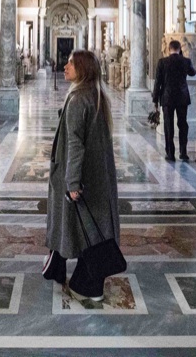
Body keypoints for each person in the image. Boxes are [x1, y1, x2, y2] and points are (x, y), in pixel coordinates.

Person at [44, 49, 120, 302]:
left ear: (83, 69)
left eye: (71, 64)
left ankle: (88, 284)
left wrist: (72, 182)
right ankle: (62, 267)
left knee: (82, 228)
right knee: (94, 227)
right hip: (98, 175)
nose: (65, 67)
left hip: (80, 176)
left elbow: (75, 145)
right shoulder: (96, 96)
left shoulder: (78, 100)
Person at [153, 39, 196, 161]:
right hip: (182, 97)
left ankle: (170, 153)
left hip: (167, 97)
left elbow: (158, 82)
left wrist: (155, 99)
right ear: (180, 49)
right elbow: (193, 73)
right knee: (183, 125)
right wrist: (182, 58)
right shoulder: (186, 61)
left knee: (168, 125)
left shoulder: (162, 62)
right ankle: (183, 152)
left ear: (168, 49)